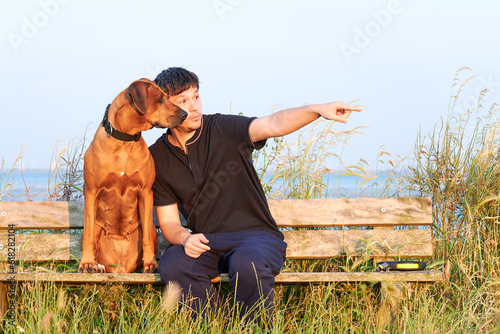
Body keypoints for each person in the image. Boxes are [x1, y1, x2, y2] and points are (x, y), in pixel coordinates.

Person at [149, 67, 361, 324]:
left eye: (196, 96)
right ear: (164, 108)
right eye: (183, 101)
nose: (194, 107)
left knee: (247, 264)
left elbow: (273, 123)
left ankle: (255, 329)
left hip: (256, 238)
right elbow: (170, 223)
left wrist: (316, 110)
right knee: (173, 264)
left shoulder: (223, 128)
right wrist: (185, 238)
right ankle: (218, 326)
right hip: (208, 242)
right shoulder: (158, 157)